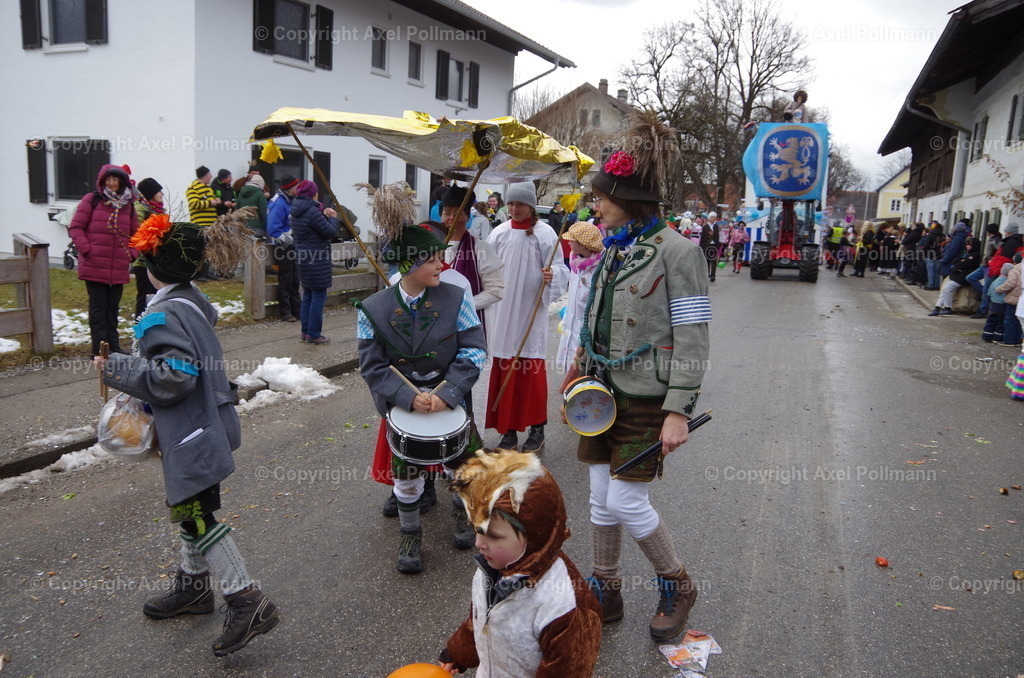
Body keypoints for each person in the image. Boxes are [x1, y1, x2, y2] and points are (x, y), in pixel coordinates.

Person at [94, 216, 278, 656]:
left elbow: (176, 376)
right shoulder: (191, 300)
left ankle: (246, 598)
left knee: (197, 515)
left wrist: (118, 366)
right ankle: (194, 587)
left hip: (191, 433)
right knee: (188, 506)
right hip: (203, 426)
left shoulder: (164, 312)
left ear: (154, 268)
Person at [572, 115, 709, 643]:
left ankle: (678, 584)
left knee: (626, 502)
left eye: (601, 198)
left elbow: (693, 335)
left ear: (628, 199)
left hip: (649, 397)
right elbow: (596, 317)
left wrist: (679, 410)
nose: (595, 207)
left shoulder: (680, 251)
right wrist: (579, 373)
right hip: (600, 395)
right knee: (598, 497)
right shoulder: (614, 245)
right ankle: (606, 590)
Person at [354, 226, 487, 573]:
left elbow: (474, 351)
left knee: (463, 465)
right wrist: (407, 398)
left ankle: (463, 515)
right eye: (432, 259)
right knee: (406, 476)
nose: (442, 264)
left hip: (451, 399)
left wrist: (447, 393)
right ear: (409, 264)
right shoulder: (371, 308)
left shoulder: (457, 298)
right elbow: (372, 366)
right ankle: (410, 533)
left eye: (441, 257)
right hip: (404, 405)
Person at [441, 450, 602, 677]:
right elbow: (480, 617)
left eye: (493, 536)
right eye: (476, 529)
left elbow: (567, 670)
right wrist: (458, 653)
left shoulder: (565, 605)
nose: (478, 543)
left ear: (535, 534)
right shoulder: (491, 568)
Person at [485, 182, 568, 453]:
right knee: (504, 367)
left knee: (530, 370)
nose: (514, 208)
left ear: (530, 206)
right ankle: (507, 431)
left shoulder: (545, 233)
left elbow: (560, 267)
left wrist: (552, 275)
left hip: (530, 311)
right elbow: (486, 267)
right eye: (510, 203)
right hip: (502, 312)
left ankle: (537, 429)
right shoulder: (499, 233)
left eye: (519, 204)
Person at [68, 164, 139, 356]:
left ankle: (113, 347)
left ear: (122, 182)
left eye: (116, 180)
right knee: (98, 309)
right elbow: (75, 227)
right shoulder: (92, 200)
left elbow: (136, 234)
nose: (112, 183)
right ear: (102, 181)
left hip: (118, 266)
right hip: (94, 264)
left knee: (113, 309)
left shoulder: (128, 206)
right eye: (109, 179)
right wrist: (86, 249)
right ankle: (99, 350)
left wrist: (131, 254)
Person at [439, 186, 504, 335]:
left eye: (458, 213)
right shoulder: (433, 248)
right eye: (447, 213)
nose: (452, 218)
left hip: (473, 319)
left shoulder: (481, 249)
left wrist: (461, 307)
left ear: (468, 217)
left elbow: (495, 291)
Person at [290, 180, 338, 344]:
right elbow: (329, 232)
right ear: (313, 194)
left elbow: (312, 230)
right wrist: (333, 218)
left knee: (308, 296)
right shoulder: (312, 212)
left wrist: (323, 216)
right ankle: (314, 334)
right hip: (317, 260)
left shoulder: (297, 211)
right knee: (318, 296)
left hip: (303, 258)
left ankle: (305, 332)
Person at [556, 222, 604, 372]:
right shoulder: (576, 265)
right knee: (569, 373)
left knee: (582, 374)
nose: (569, 243)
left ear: (583, 245)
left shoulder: (600, 270)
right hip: (570, 328)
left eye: (572, 240)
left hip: (585, 335)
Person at [267, 175, 301, 323]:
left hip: (292, 244)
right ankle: (285, 311)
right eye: (296, 187)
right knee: (286, 279)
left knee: (295, 278)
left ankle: (297, 310)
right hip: (283, 246)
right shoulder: (279, 204)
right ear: (289, 188)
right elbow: (273, 228)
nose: (298, 189)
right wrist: (287, 238)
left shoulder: (288, 200)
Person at [132, 177, 163, 319]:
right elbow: (137, 234)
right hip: (143, 262)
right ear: (151, 193)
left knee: (156, 297)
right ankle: (140, 326)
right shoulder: (141, 210)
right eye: (159, 191)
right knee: (145, 297)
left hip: (155, 261)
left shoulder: (157, 209)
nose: (162, 194)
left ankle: (153, 325)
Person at [929, 236, 980, 316]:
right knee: (944, 290)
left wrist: (960, 264)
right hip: (957, 275)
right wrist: (960, 263)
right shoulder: (966, 253)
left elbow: (965, 264)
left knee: (947, 289)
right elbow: (955, 261)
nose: (967, 246)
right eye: (967, 244)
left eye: (969, 245)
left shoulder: (975, 255)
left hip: (963, 277)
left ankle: (947, 307)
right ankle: (937, 307)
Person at [982, 263, 1014, 343]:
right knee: (1000, 322)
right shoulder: (1006, 282)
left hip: (993, 303)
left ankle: (987, 335)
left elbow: (989, 292)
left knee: (991, 320)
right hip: (1002, 304)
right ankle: (997, 337)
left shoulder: (995, 281)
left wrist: (990, 301)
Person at [235, 174, 268, 239]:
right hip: (257, 227)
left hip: (243, 228)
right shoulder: (260, 195)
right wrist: (267, 226)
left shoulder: (240, 194)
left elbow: (236, 209)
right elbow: (264, 212)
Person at [919, 221, 945, 289]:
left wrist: (923, 253)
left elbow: (926, 245)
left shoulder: (931, 234)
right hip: (939, 254)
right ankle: (936, 285)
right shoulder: (942, 235)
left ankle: (931, 284)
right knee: (937, 271)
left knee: (930, 270)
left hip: (930, 254)